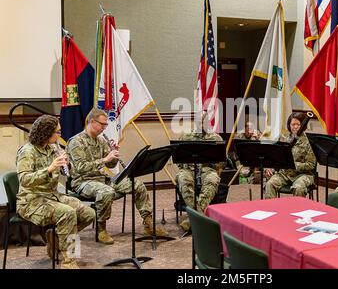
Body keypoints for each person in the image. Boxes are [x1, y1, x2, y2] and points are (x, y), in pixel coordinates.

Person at [67, 108, 168, 245]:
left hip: (102, 179)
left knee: (137, 184)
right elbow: (81, 168)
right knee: (106, 192)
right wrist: (105, 159)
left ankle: (148, 223)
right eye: (102, 124)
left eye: (105, 125)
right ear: (92, 121)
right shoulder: (76, 142)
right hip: (83, 182)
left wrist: (113, 153)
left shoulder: (101, 140)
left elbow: (110, 165)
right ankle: (101, 229)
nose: (104, 128)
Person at [16, 115, 95, 269]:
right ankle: (69, 261)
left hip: (52, 196)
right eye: (57, 132)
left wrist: (67, 164)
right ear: (46, 133)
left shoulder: (53, 147)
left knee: (89, 214)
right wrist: (49, 169)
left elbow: (67, 173)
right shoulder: (27, 151)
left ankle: (57, 236)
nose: (60, 135)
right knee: (67, 213)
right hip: (31, 201)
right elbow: (24, 180)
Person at [176, 111, 224, 231]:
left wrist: (214, 161)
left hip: (207, 170)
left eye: (203, 120)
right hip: (189, 169)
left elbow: (223, 162)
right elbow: (178, 160)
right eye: (198, 120)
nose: (200, 123)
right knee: (183, 179)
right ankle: (199, 217)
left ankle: (194, 218)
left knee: (212, 179)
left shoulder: (215, 137)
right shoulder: (186, 136)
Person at [264, 112, 317, 199]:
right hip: (285, 173)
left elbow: (310, 165)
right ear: (289, 125)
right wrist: (270, 167)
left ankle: (298, 211)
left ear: (303, 126)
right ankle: (271, 210)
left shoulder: (309, 142)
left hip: (303, 175)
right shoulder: (284, 138)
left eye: (298, 124)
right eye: (293, 124)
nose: (295, 127)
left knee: (298, 188)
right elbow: (276, 157)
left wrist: (293, 164)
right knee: (270, 184)